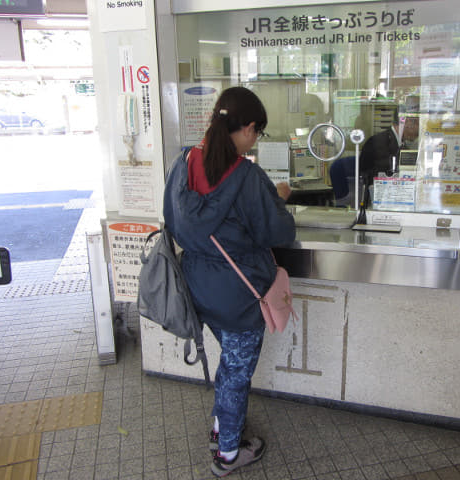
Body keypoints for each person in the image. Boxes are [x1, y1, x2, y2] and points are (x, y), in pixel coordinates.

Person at [163, 86, 296, 477]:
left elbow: (173, 220)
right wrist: (280, 198)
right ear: (249, 128)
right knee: (236, 373)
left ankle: (223, 427)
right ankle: (227, 454)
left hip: (198, 287)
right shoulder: (248, 176)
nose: (256, 139)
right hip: (240, 295)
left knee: (229, 366)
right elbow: (278, 233)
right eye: (258, 131)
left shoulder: (184, 163)